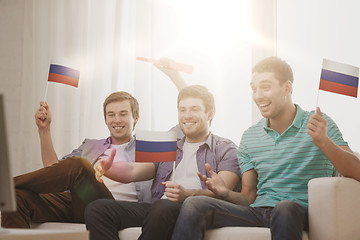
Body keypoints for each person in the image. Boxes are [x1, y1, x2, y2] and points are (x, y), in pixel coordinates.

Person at [170, 56, 360, 240]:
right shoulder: (250, 136)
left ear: (287, 87)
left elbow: (357, 172)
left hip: (299, 211)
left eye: (266, 87)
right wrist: (225, 193)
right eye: (254, 89)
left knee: (284, 208)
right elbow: (248, 197)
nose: (258, 96)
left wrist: (324, 142)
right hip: (259, 212)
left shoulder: (320, 123)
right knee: (195, 204)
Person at [1, 57, 186, 228]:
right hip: (79, 203)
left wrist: (175, 77)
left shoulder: (148, 146)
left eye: (123, 114)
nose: (117, 120)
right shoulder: (91, 146)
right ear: (105, 119)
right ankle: (8, 191)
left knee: (79, 166)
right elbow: (53, 170)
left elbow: (187, 122)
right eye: (111, 115)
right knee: (16, 199)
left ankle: (5, 186)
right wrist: (44, 130)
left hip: (117, 210)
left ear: (135, 118)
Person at [84, 85, 241, 240]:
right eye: (182, 110)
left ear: (210, 114)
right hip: (158, 209)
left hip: (192, 210)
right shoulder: (168, 144)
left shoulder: (226, 148)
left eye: (194, 109)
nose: (187, 116)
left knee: (163, 207)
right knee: (97, 208)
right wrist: (108, 168)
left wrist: (187, 195)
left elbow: (224, 191)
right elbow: (132, 171)